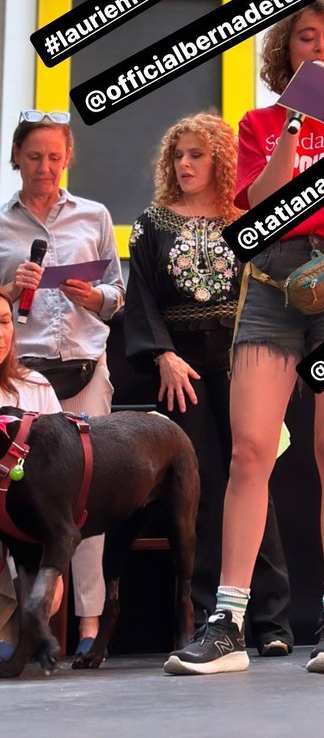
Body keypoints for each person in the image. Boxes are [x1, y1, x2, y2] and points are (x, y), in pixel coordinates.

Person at [165, 0, 324, 676]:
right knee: (248, 452)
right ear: (288, 50)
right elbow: (257, 205)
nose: (321, 47)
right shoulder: (259, 122)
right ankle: (228, 621)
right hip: (272, 288)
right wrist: (295, 132)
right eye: (308, 36)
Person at [124, 112, 293, 655]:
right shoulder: (152, 222)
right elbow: (142, 300)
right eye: (179, 155)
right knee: (197, 492)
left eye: (197, 154)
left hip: (245, 356)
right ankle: (210, 618)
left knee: (253, 483)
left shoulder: (246, 214)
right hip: (183, 369)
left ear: (220, 159)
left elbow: (273, 285)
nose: (185, 164)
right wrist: (163, 357)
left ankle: (271, 621)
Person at [0, 110, 124, 663]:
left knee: (85, 504)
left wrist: (94, 298)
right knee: (11, 502)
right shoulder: (1, 222)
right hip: (18, 380)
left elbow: (117, 295)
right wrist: (7, 289)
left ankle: (90, 620)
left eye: (54, 157)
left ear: (67, 158)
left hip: (83, 371)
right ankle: (15, 623)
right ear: (15, 159)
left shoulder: (94, 215)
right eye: (33, 157)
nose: (44, 167)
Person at [0, 287, 64, 662]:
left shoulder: (35, 386)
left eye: (5, 322)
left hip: (30, 518)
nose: (0, 334)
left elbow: (61, 468)